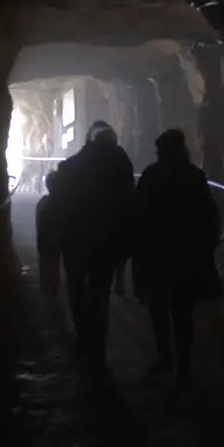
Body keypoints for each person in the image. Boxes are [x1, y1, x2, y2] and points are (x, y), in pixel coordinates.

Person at [132, 128, 222, 384]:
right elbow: (209, 217)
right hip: (185, 255)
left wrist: (136, 252)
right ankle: (182, 365)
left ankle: (166, 358)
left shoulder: (151, 175)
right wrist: (206, 249)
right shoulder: (194, 176)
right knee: (182, 313)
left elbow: (138, 216)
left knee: (159, 311)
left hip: (157, 255)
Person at [53, 120, 135, 368]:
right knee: (100, 293)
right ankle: (97, 344)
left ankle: (83, 336)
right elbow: (127, 207)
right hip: (105, 241)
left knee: (77, 289)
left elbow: (59, 198)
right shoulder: (121, 168)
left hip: (75, 239)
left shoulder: (72, 166)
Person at [35, 170, 62, 300]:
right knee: (54, 262)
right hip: (54, 241)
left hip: (43, 240)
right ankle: (52, 289)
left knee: (45, 262)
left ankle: (45, 287)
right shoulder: (60, 204)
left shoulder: (42, 202)